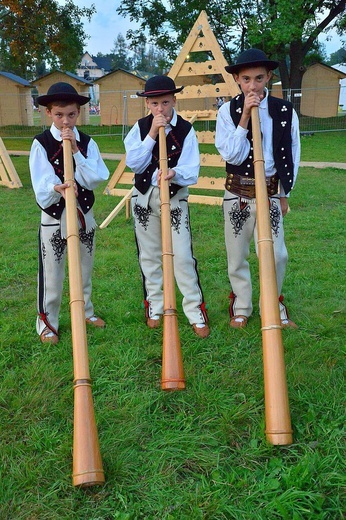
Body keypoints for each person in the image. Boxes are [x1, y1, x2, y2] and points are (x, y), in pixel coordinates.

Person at [215, 49, 301, 329]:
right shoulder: (227, 111)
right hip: (238, 193)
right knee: (237, 254)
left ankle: (273, 304)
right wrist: (243, 120)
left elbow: (293, 152)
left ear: (269, 78)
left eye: (259, 78)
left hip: (271, 192)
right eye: (247, 79)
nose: (253, 86)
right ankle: (241, 305)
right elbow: (232, 154)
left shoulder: (285, 111)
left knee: (277, 253)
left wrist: (285, 192)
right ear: (237, 80)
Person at [124, 75, 210, 338]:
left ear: (174, 99)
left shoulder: (185, 129)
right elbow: (134, 163)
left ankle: (195, 310)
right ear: (147, 104)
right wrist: (151, 134)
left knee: (182, 256)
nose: (159, 109)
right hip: (144, 196)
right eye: (154, 103)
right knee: (149, 256)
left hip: (173, 197)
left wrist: (174, 173)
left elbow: (191, 170)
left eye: (164, 102)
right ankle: (156, 306)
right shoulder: (140, 128)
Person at [29, 82, 109, 344]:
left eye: (71, 115)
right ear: (49, 113)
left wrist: (76, 150)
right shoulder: (40, 143)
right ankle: (47, 321)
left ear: (79, 113)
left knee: (84, 267)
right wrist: (56, 187)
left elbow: (96, 177)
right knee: (52, 272)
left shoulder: (86, 142)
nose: (66, 121)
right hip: (54, 216)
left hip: (83, 213)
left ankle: (85, 311)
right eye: (59, 114)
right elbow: (41, 185)